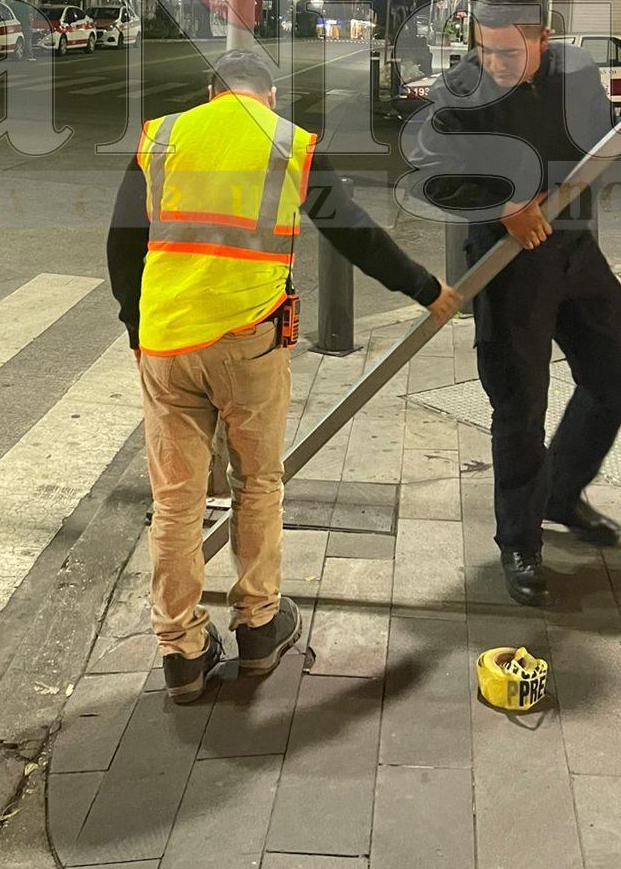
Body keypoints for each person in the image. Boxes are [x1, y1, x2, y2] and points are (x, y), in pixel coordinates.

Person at [107, 49, 458, 703]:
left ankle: (180, 652)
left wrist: (136, 328)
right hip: (249, 341)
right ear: (266, 95)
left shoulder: (163, 136)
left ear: (212, 93)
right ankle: (259, 629)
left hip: (165, 342)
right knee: (258, 483)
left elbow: (123, 242)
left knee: (177, 502)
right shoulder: (288, 145)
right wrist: (425, 288)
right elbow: (351, 232)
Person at [408, 0, 621, 607]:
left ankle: (561, 493)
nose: (493, 65)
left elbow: (598, 145)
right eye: (483, 50)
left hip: (577, 248)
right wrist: (503, 205)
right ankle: (520, 541)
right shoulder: (460, 94)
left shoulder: (575, 72)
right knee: (519, 407)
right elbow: (427, 177)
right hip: (508, 267)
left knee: (616, 375)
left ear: (543, 41)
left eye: (508, 53)